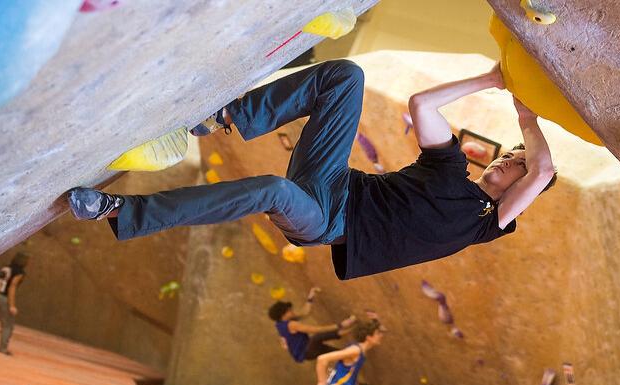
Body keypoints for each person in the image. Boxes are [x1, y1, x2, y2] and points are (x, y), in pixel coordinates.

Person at [66, 59, 557, 280]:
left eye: (517, 163)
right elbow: (422, 103)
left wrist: (528, 122)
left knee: (273, 191)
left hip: (326, 220)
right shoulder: (451, 170)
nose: (509, 160)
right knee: (346, 77)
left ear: (523, 189)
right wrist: (490, 79)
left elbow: (542, 170)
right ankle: (226, 118)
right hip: (333, 180)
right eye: (511, 153)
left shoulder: (486, 222)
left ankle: (119, 211)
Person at [268, 286, 356, 363]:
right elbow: (317, 330)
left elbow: (305, 312)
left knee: (338, 353)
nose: (291, 310)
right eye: (289, 310)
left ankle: (353, 345)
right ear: (283, 315)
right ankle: (352, 328)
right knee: (317, 337)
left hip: (309, 349)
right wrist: (340, 325)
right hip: (307, 351)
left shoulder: (280, 323)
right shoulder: (290, 325)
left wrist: (311, 296)